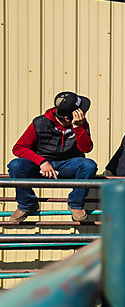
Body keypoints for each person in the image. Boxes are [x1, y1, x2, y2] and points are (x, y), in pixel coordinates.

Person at [8, 91, 97, 224]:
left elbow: (86, 148)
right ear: (68, 117)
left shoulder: (81, 124)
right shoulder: (39, 123)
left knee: (89, 165)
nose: (82, 113)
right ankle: (27, 204)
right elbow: (18, 148)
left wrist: (78, 127)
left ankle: (75, 204)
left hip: (68, 165)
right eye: (79, 110)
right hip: (41, 166)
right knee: (16, 165)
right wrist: (41, 161)